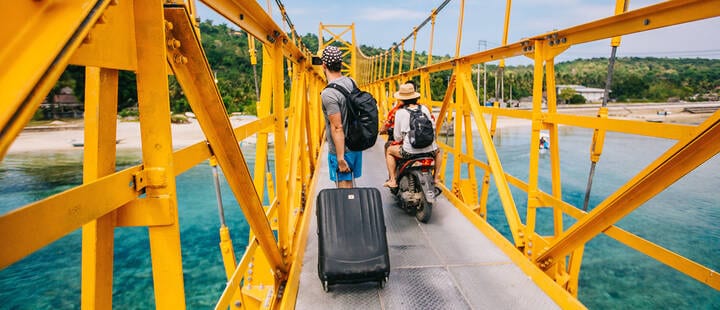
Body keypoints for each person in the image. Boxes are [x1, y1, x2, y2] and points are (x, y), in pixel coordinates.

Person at [383, 83, 442, 188]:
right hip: (430, 149)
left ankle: (392, 180)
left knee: (389, 151)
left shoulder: (400, 112)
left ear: (401, 99)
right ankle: (436, 178)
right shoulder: (425, 109)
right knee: (438, 151)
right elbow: (433, 128)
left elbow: (397, 137)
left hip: (409, 152)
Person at [319, 46, 362, 188]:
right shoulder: (352, 82)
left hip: (342, 149)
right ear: (341, 64)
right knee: (351, 187)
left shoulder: (328, 93)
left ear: (324, 65)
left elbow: (337, 127)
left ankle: (352, 211)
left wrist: (340, 157)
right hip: (356, 145)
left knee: (345, 192)